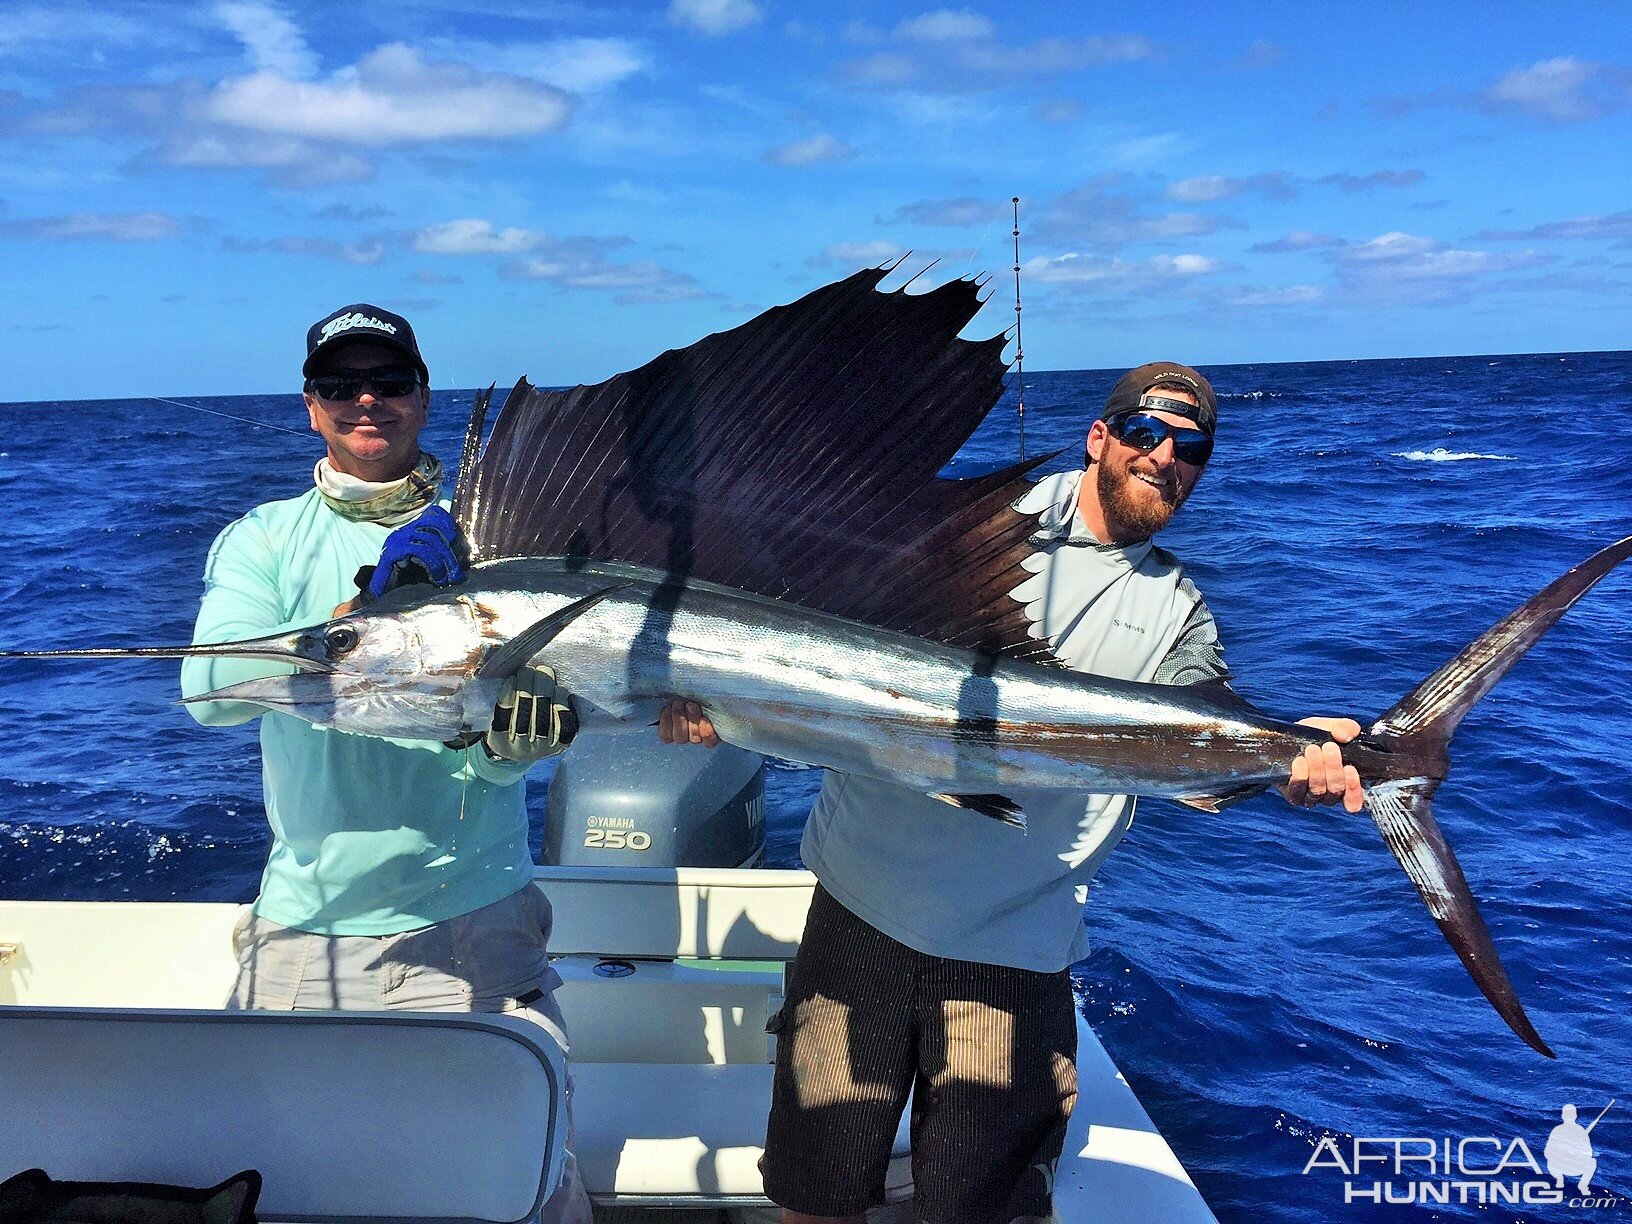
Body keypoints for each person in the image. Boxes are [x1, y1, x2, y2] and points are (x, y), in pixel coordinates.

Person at [661, 361, 1364, 1222]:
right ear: (1099, 437)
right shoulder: (967, 524)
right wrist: (716, 708)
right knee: (817, 1197)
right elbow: (808, 649)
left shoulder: (1180, 613)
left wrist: (1286, 767)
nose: (1165, 457)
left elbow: (1198, 757)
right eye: (1146, 433)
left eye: (1191, 447)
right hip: (858, 913)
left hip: (1016, 950)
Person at [181, 303, 590, 1222]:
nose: (366, 401)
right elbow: (208, 691)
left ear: (422, 396)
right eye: (340, 385)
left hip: (472, 923)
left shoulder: (495, 542)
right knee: (278, 1192)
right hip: (305, 929)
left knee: (517, 1191)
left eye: (390, 382)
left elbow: (491, 750)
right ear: (310, 406)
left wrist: (506, 755)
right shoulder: (264, 539)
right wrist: (363, 611)